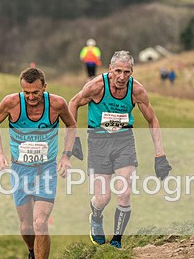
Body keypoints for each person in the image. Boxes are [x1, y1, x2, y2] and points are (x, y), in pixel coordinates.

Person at [69, 50, 172, 248]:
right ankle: (96, 215)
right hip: (98, 141)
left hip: (124, 139)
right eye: (118, 71)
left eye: (127, 72)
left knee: (124, 193)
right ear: (110, 70)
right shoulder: (97, 86)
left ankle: (117, 240)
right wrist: (73, 138)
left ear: (132, 72)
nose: (122, 77)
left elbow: (152, 119)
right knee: (103, 197)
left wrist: (160, 154)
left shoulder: (137, 91)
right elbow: (73, 103)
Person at [0, 67, 77, 259]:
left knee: (40, 223)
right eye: (26, 92)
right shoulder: (11, 103)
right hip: (20, 170)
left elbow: (72, 125)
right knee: (26, 225)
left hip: (46, 170)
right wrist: (0, 155)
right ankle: (31, 251)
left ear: (44, 88)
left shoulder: (57, 104)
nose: (30, 97)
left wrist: (66, 156)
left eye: (35, 92)